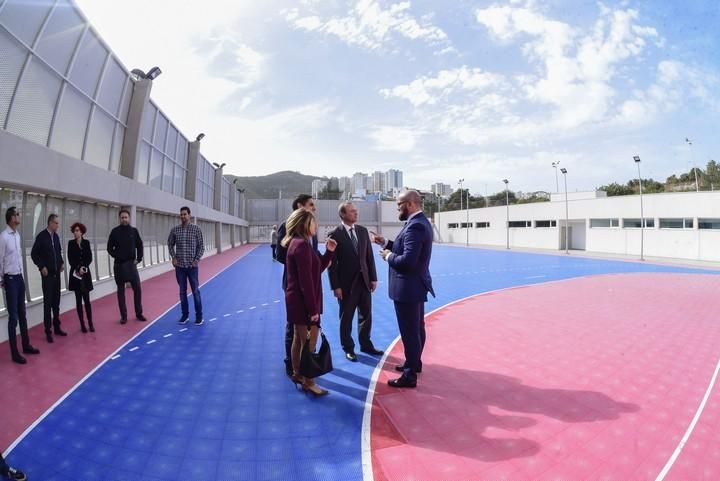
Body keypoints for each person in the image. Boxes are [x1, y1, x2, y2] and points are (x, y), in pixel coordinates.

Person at [373, 190, 435, 388]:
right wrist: (386, 243)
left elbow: (407, 261)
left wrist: (388, 256)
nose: (397, 208)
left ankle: (409, 376)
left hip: (408, 287)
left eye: (399, 204)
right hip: (415, 286)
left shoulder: (415, 226)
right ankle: (414, 363)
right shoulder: (419, 222)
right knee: (416, 328)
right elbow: (405, 248)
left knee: (410, 331)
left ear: (409, 204)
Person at [283, 208, 336, 396]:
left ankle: (298, 374)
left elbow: (316, 269)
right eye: (314, 222)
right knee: (309, 342)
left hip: (296, 301)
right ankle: (309, 381)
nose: (317, 225)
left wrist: (328, 253)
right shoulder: (302, 246)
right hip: (303, 302)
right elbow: (306, 282)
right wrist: (313, 310)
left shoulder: (298, 243)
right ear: (305, 224)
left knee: (298, 339)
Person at [327, 202, 383, 361]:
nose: (355, 214)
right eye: (352, 212)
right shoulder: (334, 234)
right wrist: (335, 286)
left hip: (364, 282)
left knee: (366, 315)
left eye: (356, 211)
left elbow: (369, 257)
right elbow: (332, 265)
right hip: (346, 286)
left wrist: (373, 278)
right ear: (342, 215)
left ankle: (366, 344)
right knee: (346, 317)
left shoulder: (363, 231)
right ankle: (348, 348)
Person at [275, 194, 319, 377]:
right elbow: (279, 255)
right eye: (311, 205)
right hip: (294, 282)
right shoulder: (287, 226)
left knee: (305, 326)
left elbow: (314, 253)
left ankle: (305, 361)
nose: (314, 208)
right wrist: (299, 265)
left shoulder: (310, 228)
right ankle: (291, 363)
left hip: (308, 281)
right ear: (300, 205)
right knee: (293, 325)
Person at [0, 207, 40, 364]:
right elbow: (0, 259)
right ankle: (15, 353)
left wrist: (21, 274)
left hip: (19, 278)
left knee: (23, 314)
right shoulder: (3, 237)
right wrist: (1, 279)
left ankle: (26, 345)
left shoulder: (17, 235)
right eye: (17, 214)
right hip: (10, 279)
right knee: (13, 317)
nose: (20, 216)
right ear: (11, 218)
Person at [30, 213, 66, 343]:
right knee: (48, 303)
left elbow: (58, 252)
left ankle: (57, 327)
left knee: (56, 303)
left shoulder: (56, 237)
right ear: (50, 223)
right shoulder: (41, 237)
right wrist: (42, 266)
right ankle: (48, 331)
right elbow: (34, 254)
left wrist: (61, 263)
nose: (58, 225)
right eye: (56, 223)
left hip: (57, 275)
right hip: (48, 276)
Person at [107, 209, 146, 324]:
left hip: (131, 265)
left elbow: (140, 245)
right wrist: (117, 256)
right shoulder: (114, 232)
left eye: (126, 217)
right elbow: (109, 248)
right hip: (119, 265)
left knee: (137, 289)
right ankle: (123, 316)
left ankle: (139, 313)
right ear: (119, 218)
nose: (124, 219)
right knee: (120, 291)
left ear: (129, 218)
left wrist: (138, 259)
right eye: (122, 217)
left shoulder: (134, 231)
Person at [168, 206, 204, 325]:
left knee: (195, 291)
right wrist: (173, 257)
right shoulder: (175, 230)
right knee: (182, 292)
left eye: (185, 214)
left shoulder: (196, 229)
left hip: (192, 267)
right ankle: (185, 316)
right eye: (181, 214)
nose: (183, 216)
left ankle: (199, 316)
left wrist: (196, 260)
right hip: (180, 268)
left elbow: (201, 247)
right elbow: (170, 244)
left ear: (189, 215)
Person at [67, 222, 94, 333]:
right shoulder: (71, 243)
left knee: (87, 300)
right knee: (78, 301)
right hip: (75, 275)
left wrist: (84, 267)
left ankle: (90, 323)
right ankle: (82, 324)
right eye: (75, 230)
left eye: (78, 230)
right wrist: (78, 268)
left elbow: (89, 258)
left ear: (82, 232)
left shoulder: (86, 243)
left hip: (85, 274)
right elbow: (70, 259)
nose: (76, 232)